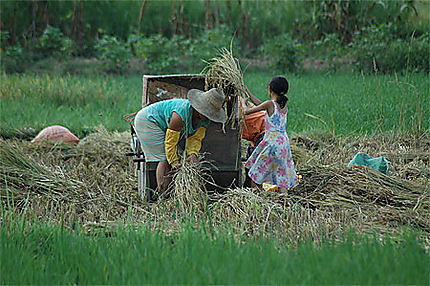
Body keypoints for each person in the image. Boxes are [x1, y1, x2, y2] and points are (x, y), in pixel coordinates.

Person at [134, 88, 227, 193]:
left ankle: (170, 192)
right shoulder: (180, 115)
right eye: (208, 112)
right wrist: (175, 163)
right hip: (148, 121)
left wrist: (193, 154)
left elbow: (195, 138)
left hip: (162, 125)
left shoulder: (204, 120)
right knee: (164, 158)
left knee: (170, 157)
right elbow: (170, 143)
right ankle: (163, 193)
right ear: (200, 108)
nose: (209, 116)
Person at [240, 76, 299, 190]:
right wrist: (247, 92)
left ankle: (256, 199)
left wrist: (243, 102)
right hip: (283, 145)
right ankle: (284, 200)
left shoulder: (269, 105)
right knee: (282, 175)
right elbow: (261, 105)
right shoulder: (282, 105)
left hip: (271, 144)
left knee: (255, 174)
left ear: (270, 90)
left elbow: (246, 112)